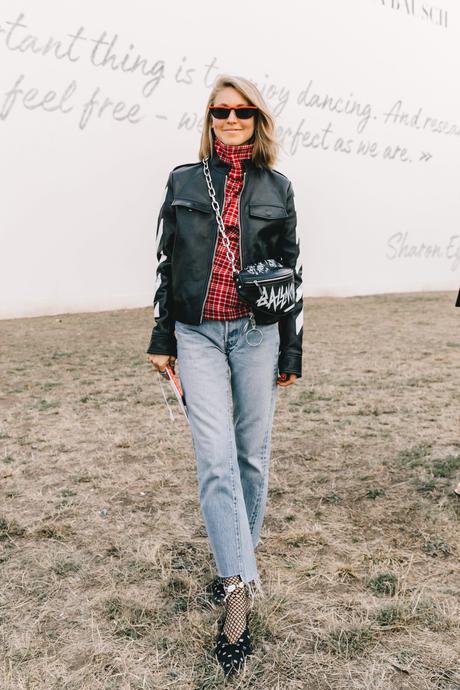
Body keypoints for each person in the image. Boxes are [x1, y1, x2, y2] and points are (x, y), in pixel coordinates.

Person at [146, 74, 303, 676]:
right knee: (215, 457)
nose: (231, 120)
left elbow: (290, 273)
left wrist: (290, 350)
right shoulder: (184, 180)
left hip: (257, 334)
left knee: (251, 456)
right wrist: (163, 338)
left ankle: (234, 566)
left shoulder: (278, 187)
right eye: (221, 111)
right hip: (198, 332)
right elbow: (168, 262)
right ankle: (237, 591)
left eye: (242, 112)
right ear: (209, 119)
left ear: (258, 120)